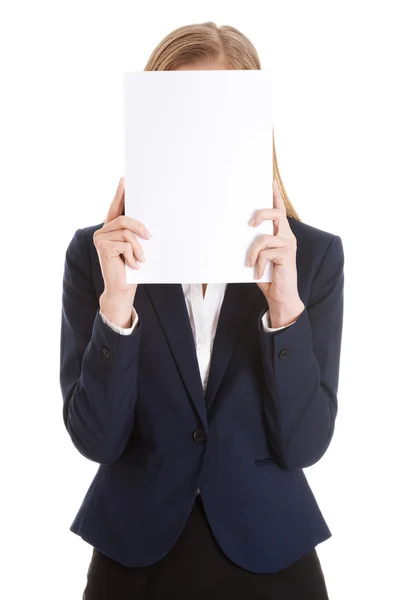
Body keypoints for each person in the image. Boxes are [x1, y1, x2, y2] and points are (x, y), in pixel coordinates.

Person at [60, 21, 344, 600]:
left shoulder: (312, 257)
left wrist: (284, 309)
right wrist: (117, 304)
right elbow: (96, 440)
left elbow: (305, 445)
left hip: (272, 553)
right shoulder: (97, 256)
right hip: (134, 559)